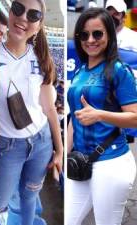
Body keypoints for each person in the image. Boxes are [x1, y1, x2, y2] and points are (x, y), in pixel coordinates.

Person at [66, 8, 137, 225]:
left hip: (111, 163)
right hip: (80, 162)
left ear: (109, 35)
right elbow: (75, 117)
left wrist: (99, 115)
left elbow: (135, 117)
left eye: (97, 34)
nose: (90, 40)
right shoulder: (80, 71)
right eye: (84, 34)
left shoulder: (118, 70)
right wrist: (64, 154)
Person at [0, 1, 63, 225]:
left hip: (41, 143)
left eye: (33, 15)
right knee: (0, 201)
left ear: (39, 24)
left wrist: (59, 149)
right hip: (7, 147)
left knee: (29, 196)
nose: (23, 17)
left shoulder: (42, 59)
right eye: (18, 8)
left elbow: (48, 107)